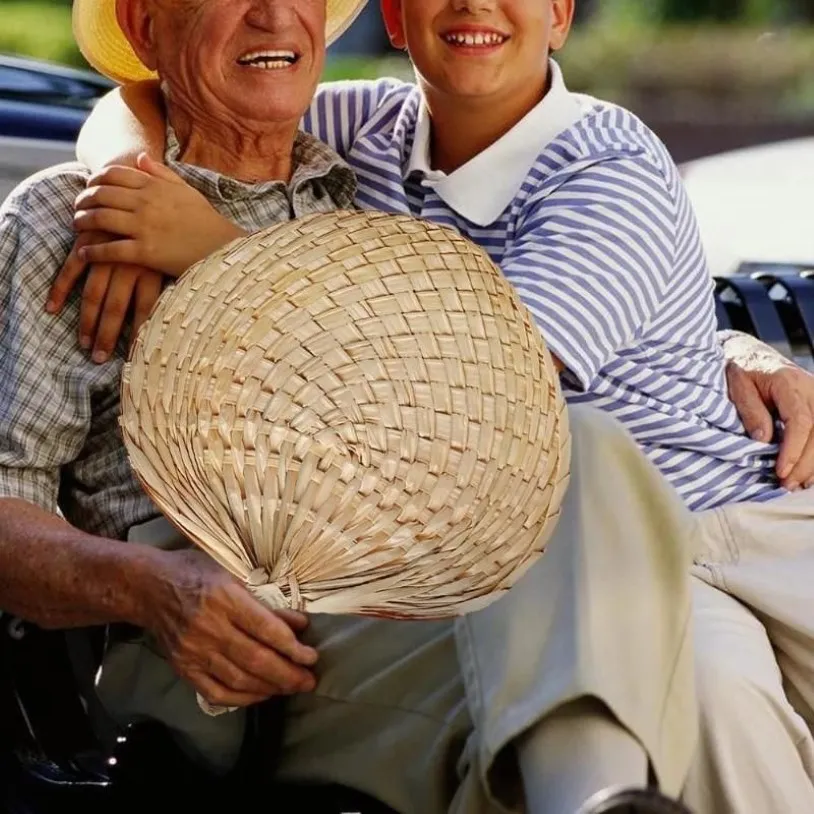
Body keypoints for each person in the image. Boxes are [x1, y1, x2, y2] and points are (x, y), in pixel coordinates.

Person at [62, 1, 814, 811]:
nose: (472, 4)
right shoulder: (363, 128)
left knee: (694, 676)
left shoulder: (607, 162)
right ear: (394, 18)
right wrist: (137, 184)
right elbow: (148, 95)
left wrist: (210, 249)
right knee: (708, 696)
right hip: (560, 564)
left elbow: (484, 378)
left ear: (560, 17)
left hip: (729, 522)